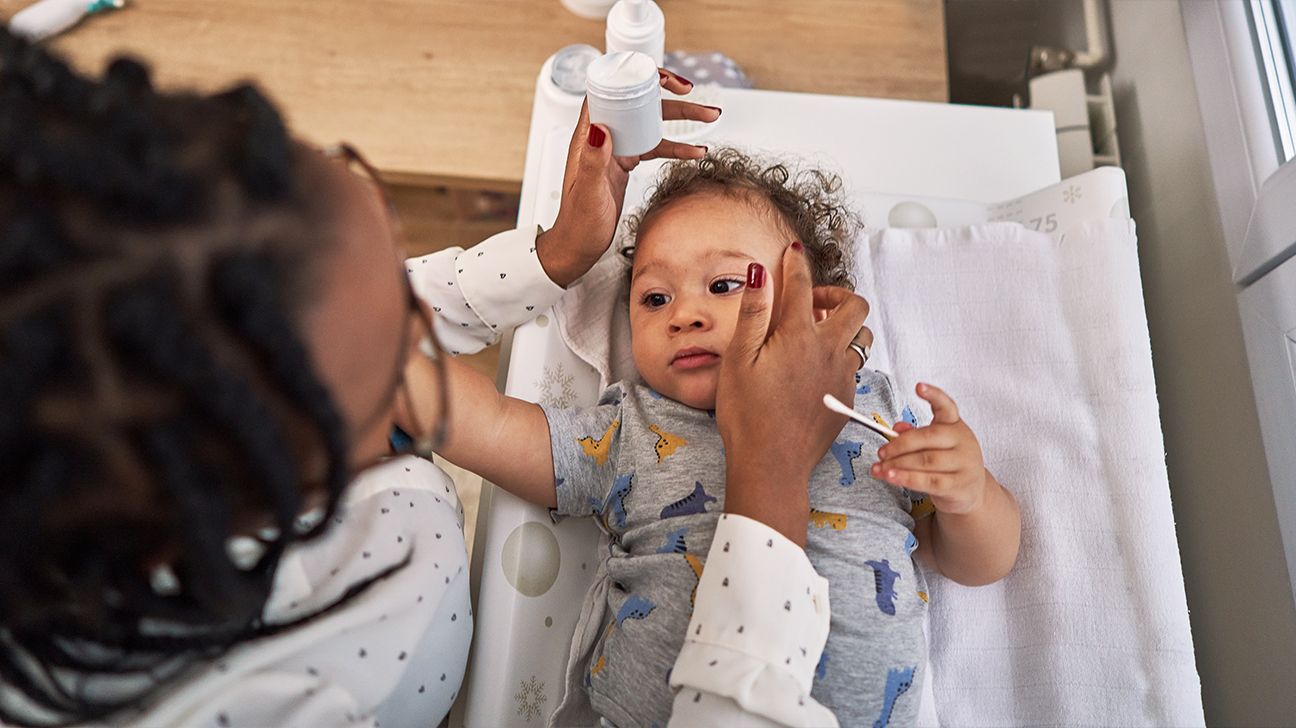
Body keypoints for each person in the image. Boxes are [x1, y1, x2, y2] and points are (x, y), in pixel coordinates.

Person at [0, 27, 872, 728]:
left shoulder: (210, 347)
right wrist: (767, 481)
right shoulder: (261, 702)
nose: (426, 323)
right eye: (401, 353)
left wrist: (551, 256)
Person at [415, 149, 1022, 727]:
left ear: (817, 310)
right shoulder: (633, 430)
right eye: (655, 298)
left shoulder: (866, 409)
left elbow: (974, 561)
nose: (684, 314)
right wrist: (378, 357)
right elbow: (491, 424)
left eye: (727, 285)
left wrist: (967, 494)